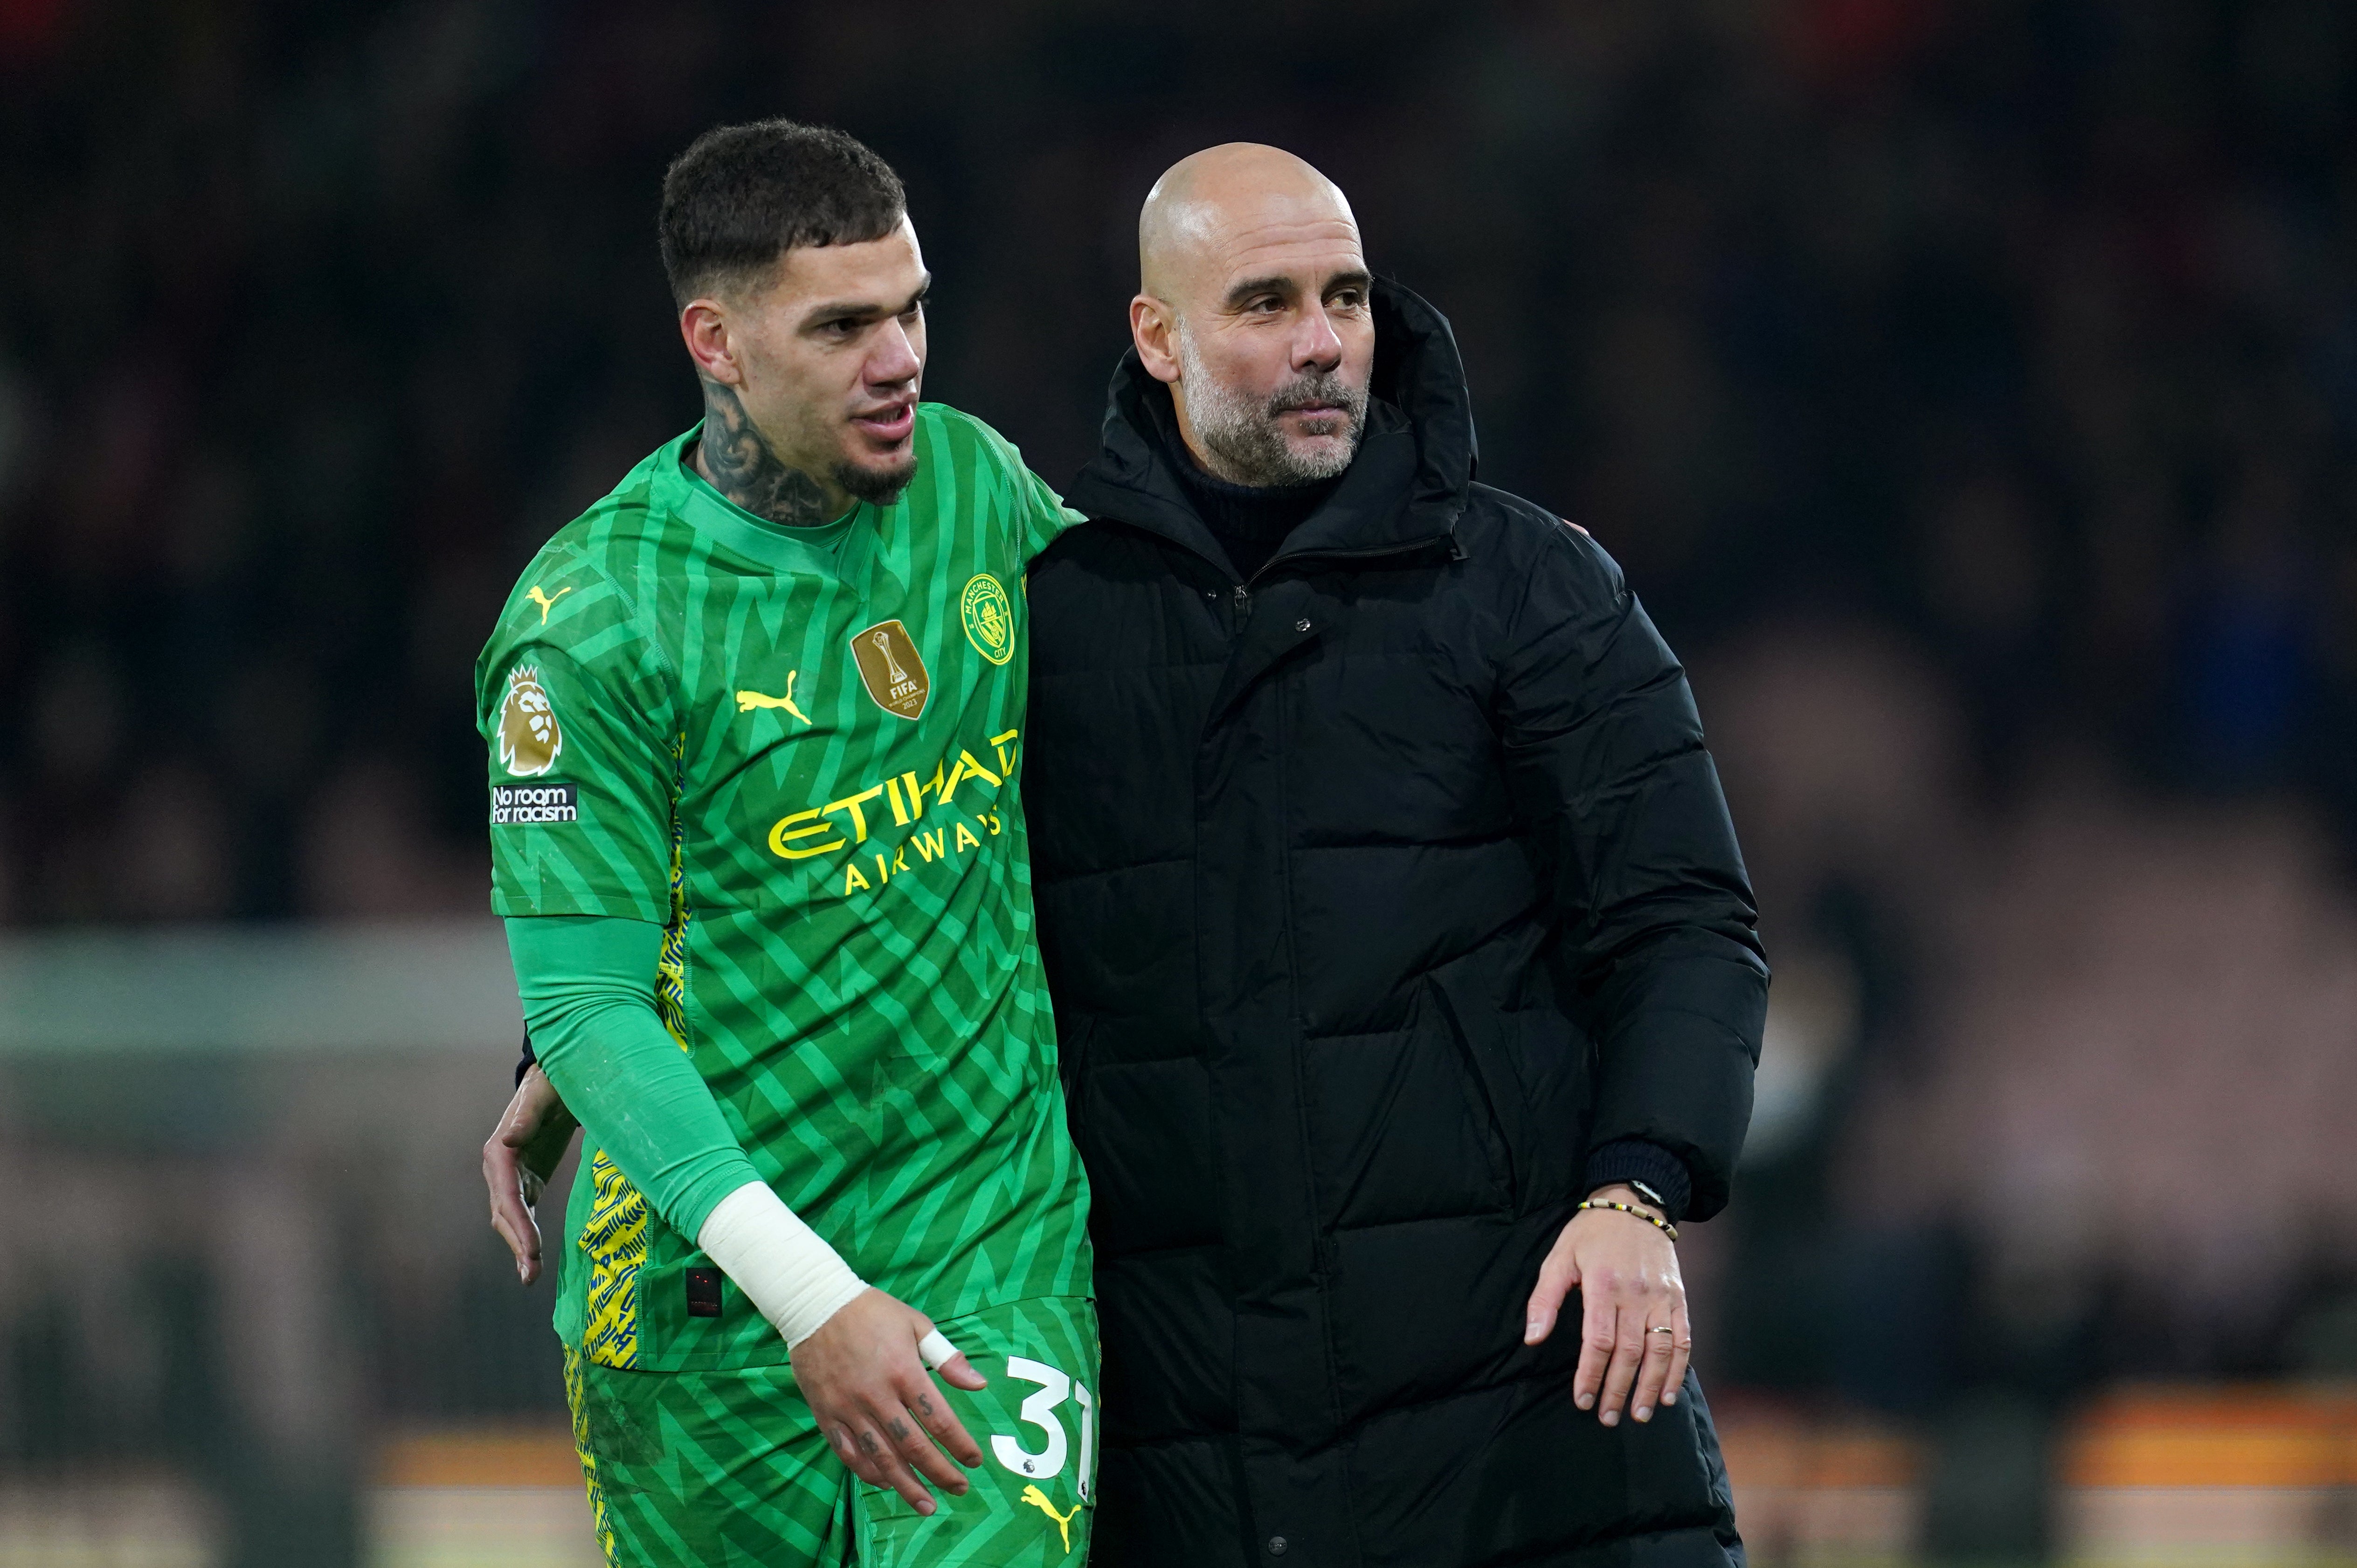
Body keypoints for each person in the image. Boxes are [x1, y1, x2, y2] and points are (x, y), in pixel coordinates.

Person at [1019, 145, 1767, 1565]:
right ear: (1157, 336)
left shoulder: (1532, 584)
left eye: (1347, 297)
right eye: (1266, 303)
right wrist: (592, 1008)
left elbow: (1686, 925)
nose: (1322, 344)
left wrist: (1637, 1190)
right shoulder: (1050, 626)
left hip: (1530, 1447)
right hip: (1193, 1470)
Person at [477, 119, 1098, 1568]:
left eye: (913, 308)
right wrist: (807, 1294)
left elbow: (1165, 701)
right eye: (843, 326)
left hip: (988, 1243)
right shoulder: (591, 627)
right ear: (718, 340)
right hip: (708, 1319)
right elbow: (585, 997)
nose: (901, 359)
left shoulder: (974, 484)